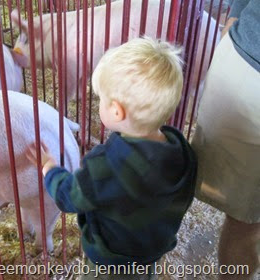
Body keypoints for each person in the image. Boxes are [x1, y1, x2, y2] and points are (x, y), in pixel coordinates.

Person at [26, 37, 197, 279]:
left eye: (101, 100)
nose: (99, 106)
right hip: (149, 258)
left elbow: (68, 197)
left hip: (109, 264)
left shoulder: (107, 164)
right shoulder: (183, 151)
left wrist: (49, 166)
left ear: (116, 111)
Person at [192, 0, 260, 279]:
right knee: (246, 221)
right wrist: (234, 17)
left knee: (245, 222)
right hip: (250, 70)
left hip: (244, 66)